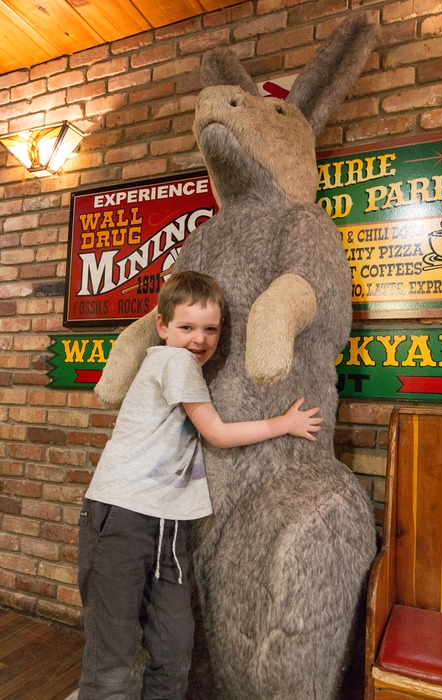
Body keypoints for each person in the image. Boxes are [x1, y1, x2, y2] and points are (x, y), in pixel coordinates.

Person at [77, 270, 322, 700]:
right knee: (112, 656)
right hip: (123, 516)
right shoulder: (174, 362)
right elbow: (217, 433)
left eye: (211, 329)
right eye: (187, 327)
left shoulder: (182, 365)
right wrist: (284, 423)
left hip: (169, 525)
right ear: (162, 326)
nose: (199, 339)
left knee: (173, 650)